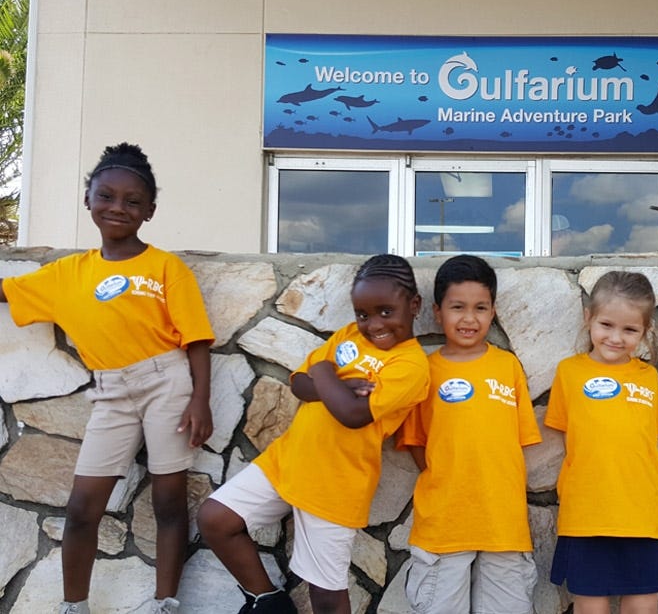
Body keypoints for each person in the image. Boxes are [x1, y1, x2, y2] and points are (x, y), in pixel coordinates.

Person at [0, 143, 215, 614]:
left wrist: (201, 400)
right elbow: (6, 289)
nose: (118, 208)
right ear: (89, 200)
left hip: (167, 383)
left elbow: (196, 339)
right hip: (112, 392)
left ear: (150, 211)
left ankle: (165, 602)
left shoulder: (165, 268)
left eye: (132, 201)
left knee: (169, 501)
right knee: (81, 508)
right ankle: (73, 605)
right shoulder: (66, 275)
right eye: (107, 196)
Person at [197, 253, 430, 614]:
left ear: (413, 305)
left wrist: (324, 372)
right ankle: (269, 603)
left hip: (334, 482)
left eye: (386, 311)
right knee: (216, 519)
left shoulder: (411, 366)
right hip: (288, 460)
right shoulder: (349, 335)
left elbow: (352, 414)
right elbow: (299, 385)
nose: (373, 324)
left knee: (325, 594)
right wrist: (331, 382)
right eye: (363, 314)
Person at [397, 254, 541, 613]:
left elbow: (517, 442)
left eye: (480, 307)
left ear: (493, 312)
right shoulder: (424, 372)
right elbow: (417, 445)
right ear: (437, 311)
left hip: (503, 524)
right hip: (444, 524)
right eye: (457, 307)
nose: (469, 318)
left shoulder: (507, 367)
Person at [545, 271, 658, 614]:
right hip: (587, 515)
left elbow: (644, 441)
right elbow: (573, 440)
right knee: (590, 607)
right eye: (606, 324)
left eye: (630, 330)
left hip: (643, 516)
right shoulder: (569, 372)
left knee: (642, 606)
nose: (615, 337)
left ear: (645, 331)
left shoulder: (647, 377)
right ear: (588, 318)